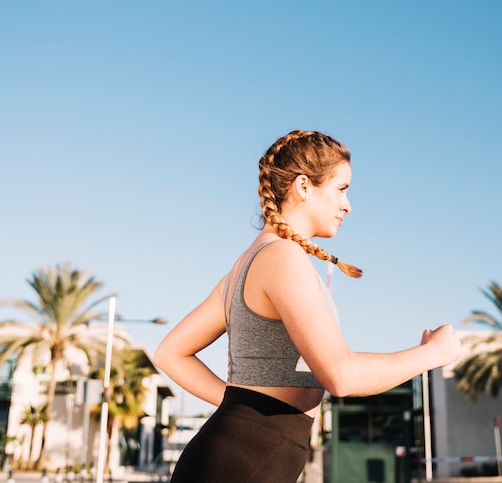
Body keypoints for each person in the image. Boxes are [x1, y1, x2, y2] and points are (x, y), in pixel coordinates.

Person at [153, 129, 461, 483]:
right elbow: (341, 376)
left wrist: (243, 405)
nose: (348, 205)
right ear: (303, 186)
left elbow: (169, 353)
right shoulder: (281, 257)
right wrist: (433, 354)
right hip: (244, 461)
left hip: (239, 455)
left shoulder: (249, 263)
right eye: (341, 189)